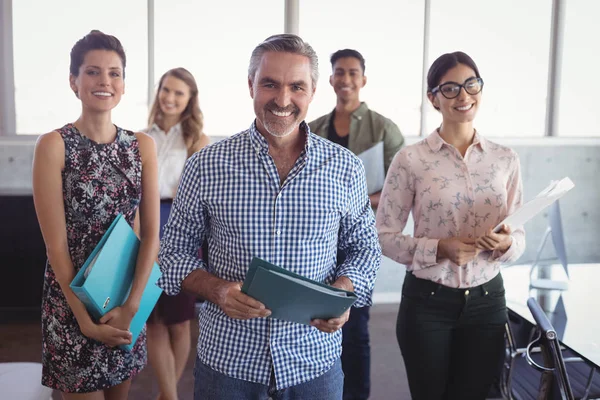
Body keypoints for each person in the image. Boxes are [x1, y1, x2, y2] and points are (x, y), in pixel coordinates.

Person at [157, 34, 381, 400]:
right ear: (250, 86)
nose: (282, 99)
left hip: (314, 362)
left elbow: (365, 249)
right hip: (228, 364)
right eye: (270, 84)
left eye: (297, 87)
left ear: (312, 92)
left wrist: (344, 291)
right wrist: (217, 289)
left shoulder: (345, 168)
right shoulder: (206, 165)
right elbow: (172, 254)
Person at [376, 51, 525, 400]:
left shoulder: (505, 159)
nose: (463, 95)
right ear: (433, 98)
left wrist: (507, 245)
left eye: (471, 84)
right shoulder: (411, 159)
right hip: (427, 302)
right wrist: (439, 248)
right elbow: (384, 236)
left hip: (488, 300)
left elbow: (518, 234)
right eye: (451, 88)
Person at [32, 30, 160, 399]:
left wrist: (132, 306)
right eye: (92, 72)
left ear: (123, 83)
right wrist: (84, 321)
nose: (104, 81)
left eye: (114, 73)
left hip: (123, 296)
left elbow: (151, 233)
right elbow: (55, 247)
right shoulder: (54, 145)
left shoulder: (141, 146)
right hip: (71, 305)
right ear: (74, 81)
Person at [309, 49, 404, 400]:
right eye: (339, 72)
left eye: (352, 73)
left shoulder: (384, 128)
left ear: (363, 79)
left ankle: (356, 395)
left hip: (358, 239)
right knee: (316, 317)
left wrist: (355, 202)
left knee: (356, 325)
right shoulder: (315, 127)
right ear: (330, 79)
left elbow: (397, 191)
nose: (345, 79)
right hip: (317, 240)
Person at [145, 67, 210, 400]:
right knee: (152, 320)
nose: (169, 98)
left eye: (178, 93)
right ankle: (168, 394)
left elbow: (200, 197)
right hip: (144, 228)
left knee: (180, 321)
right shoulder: (142, 136)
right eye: (166, 90)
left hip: (181, 229)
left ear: (189, 100)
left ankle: (168, 394)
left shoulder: (196, 140)